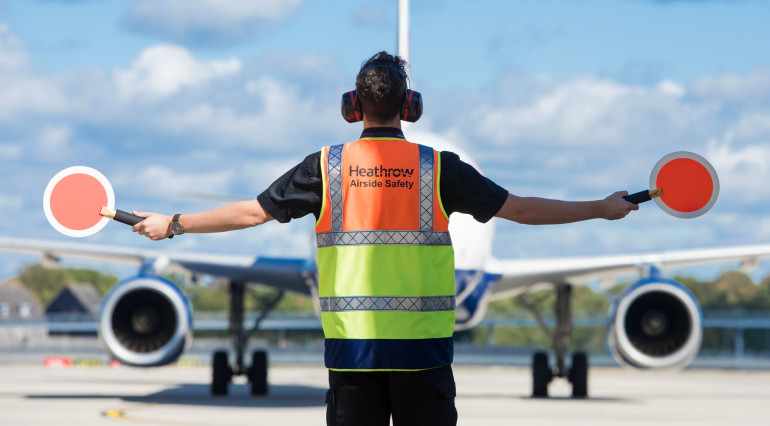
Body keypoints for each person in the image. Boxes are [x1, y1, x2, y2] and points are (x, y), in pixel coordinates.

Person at [132, 51, 638, 426]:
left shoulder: (326, 167)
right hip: (424, 352)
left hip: (354, 353)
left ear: (353, 107)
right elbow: (522, 209)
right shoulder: (438, 168)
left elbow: (250, 212)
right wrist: (600, 208)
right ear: (410, 106)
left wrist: (174, 222)